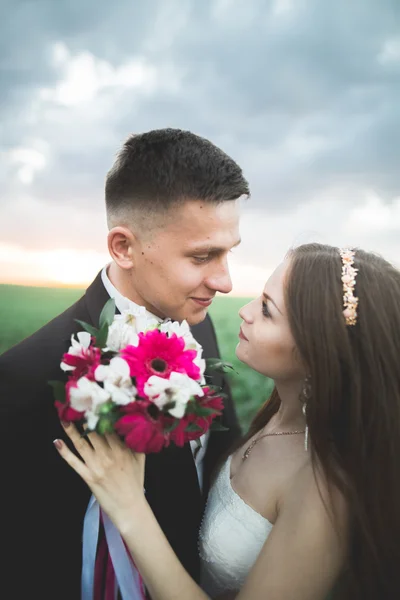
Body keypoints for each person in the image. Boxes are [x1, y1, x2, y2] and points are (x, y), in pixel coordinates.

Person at [55, 243, 400, 600]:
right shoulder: (281, 417)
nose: (245, 312)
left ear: (319, 349)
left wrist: (128, 506)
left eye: (267, 310)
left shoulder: (325, 488)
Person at [0, 128, 249, 599]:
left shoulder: (199, 326)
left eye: (228, 252)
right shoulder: (27, 375)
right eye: (203, 256)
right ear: (123, 247)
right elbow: (22, 555)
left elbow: (220, 448)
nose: (225, 280)